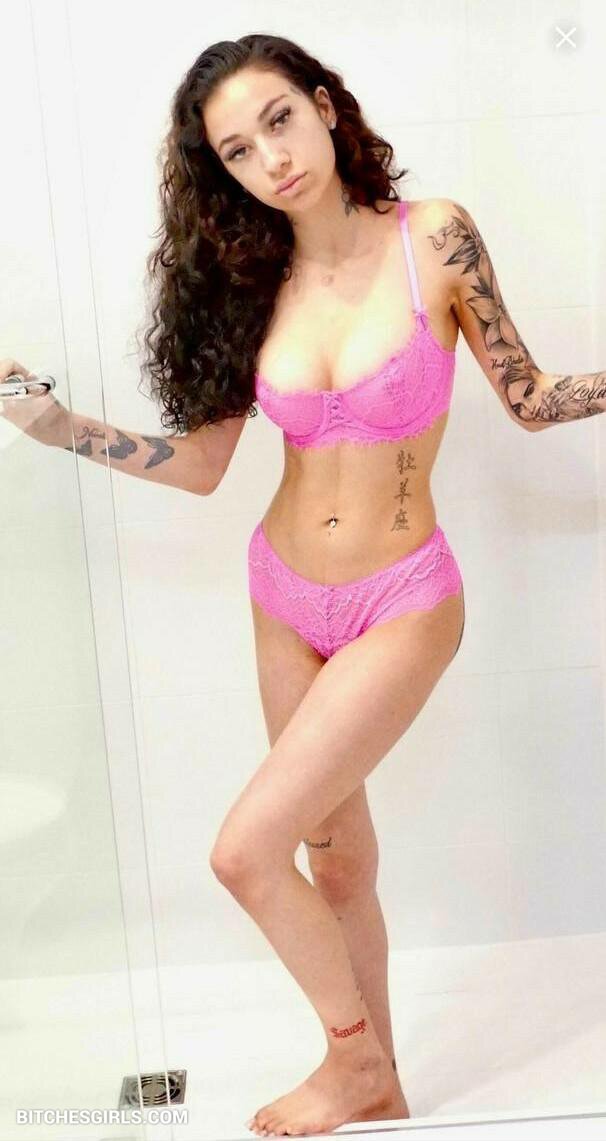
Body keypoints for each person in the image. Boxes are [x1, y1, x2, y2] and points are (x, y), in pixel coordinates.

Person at [4, 31, 597, 1140]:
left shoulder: (434, 239)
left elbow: (532, 398)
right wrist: (62, 427)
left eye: (278, 119)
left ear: (324, 106)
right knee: (334, 856)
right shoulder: (252, 281)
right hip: (282, 594)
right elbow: (204, 466)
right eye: (236, 150)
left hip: (403, 598)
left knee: (243, 851)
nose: (269, 158)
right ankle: (383, 1090)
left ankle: (350, 1060)